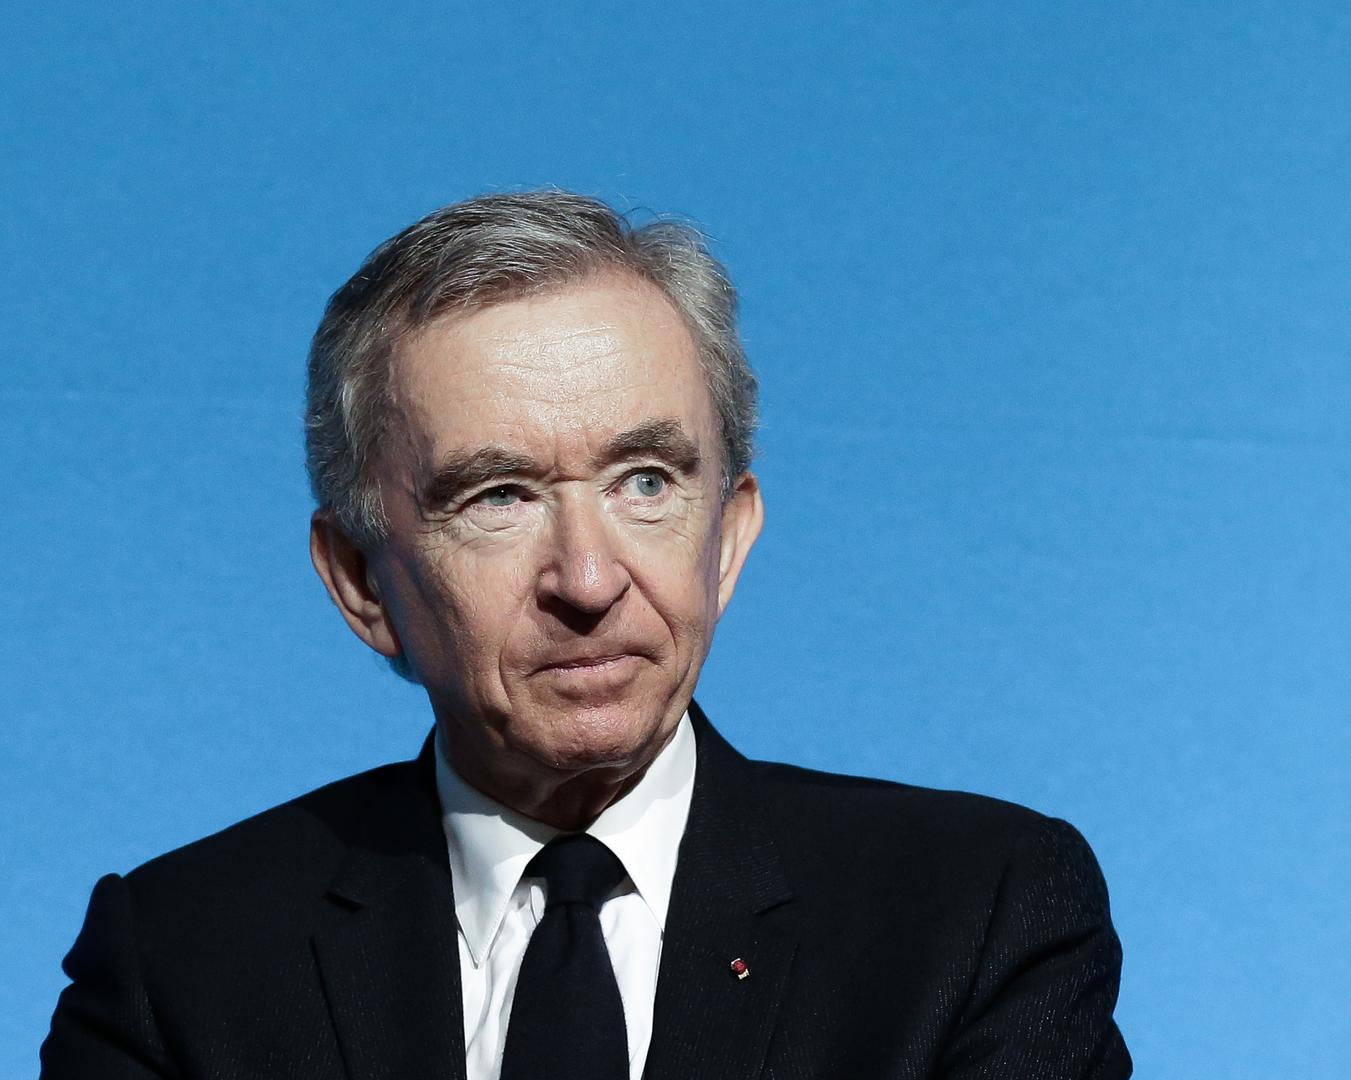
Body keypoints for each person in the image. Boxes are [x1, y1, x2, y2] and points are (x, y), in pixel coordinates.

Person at [41, 191, 1132, 1079]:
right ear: (362, 580)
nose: (589, 579)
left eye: (645, 481)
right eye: (498, 496)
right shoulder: (178, 963)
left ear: (727, 536)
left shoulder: (976, 915)